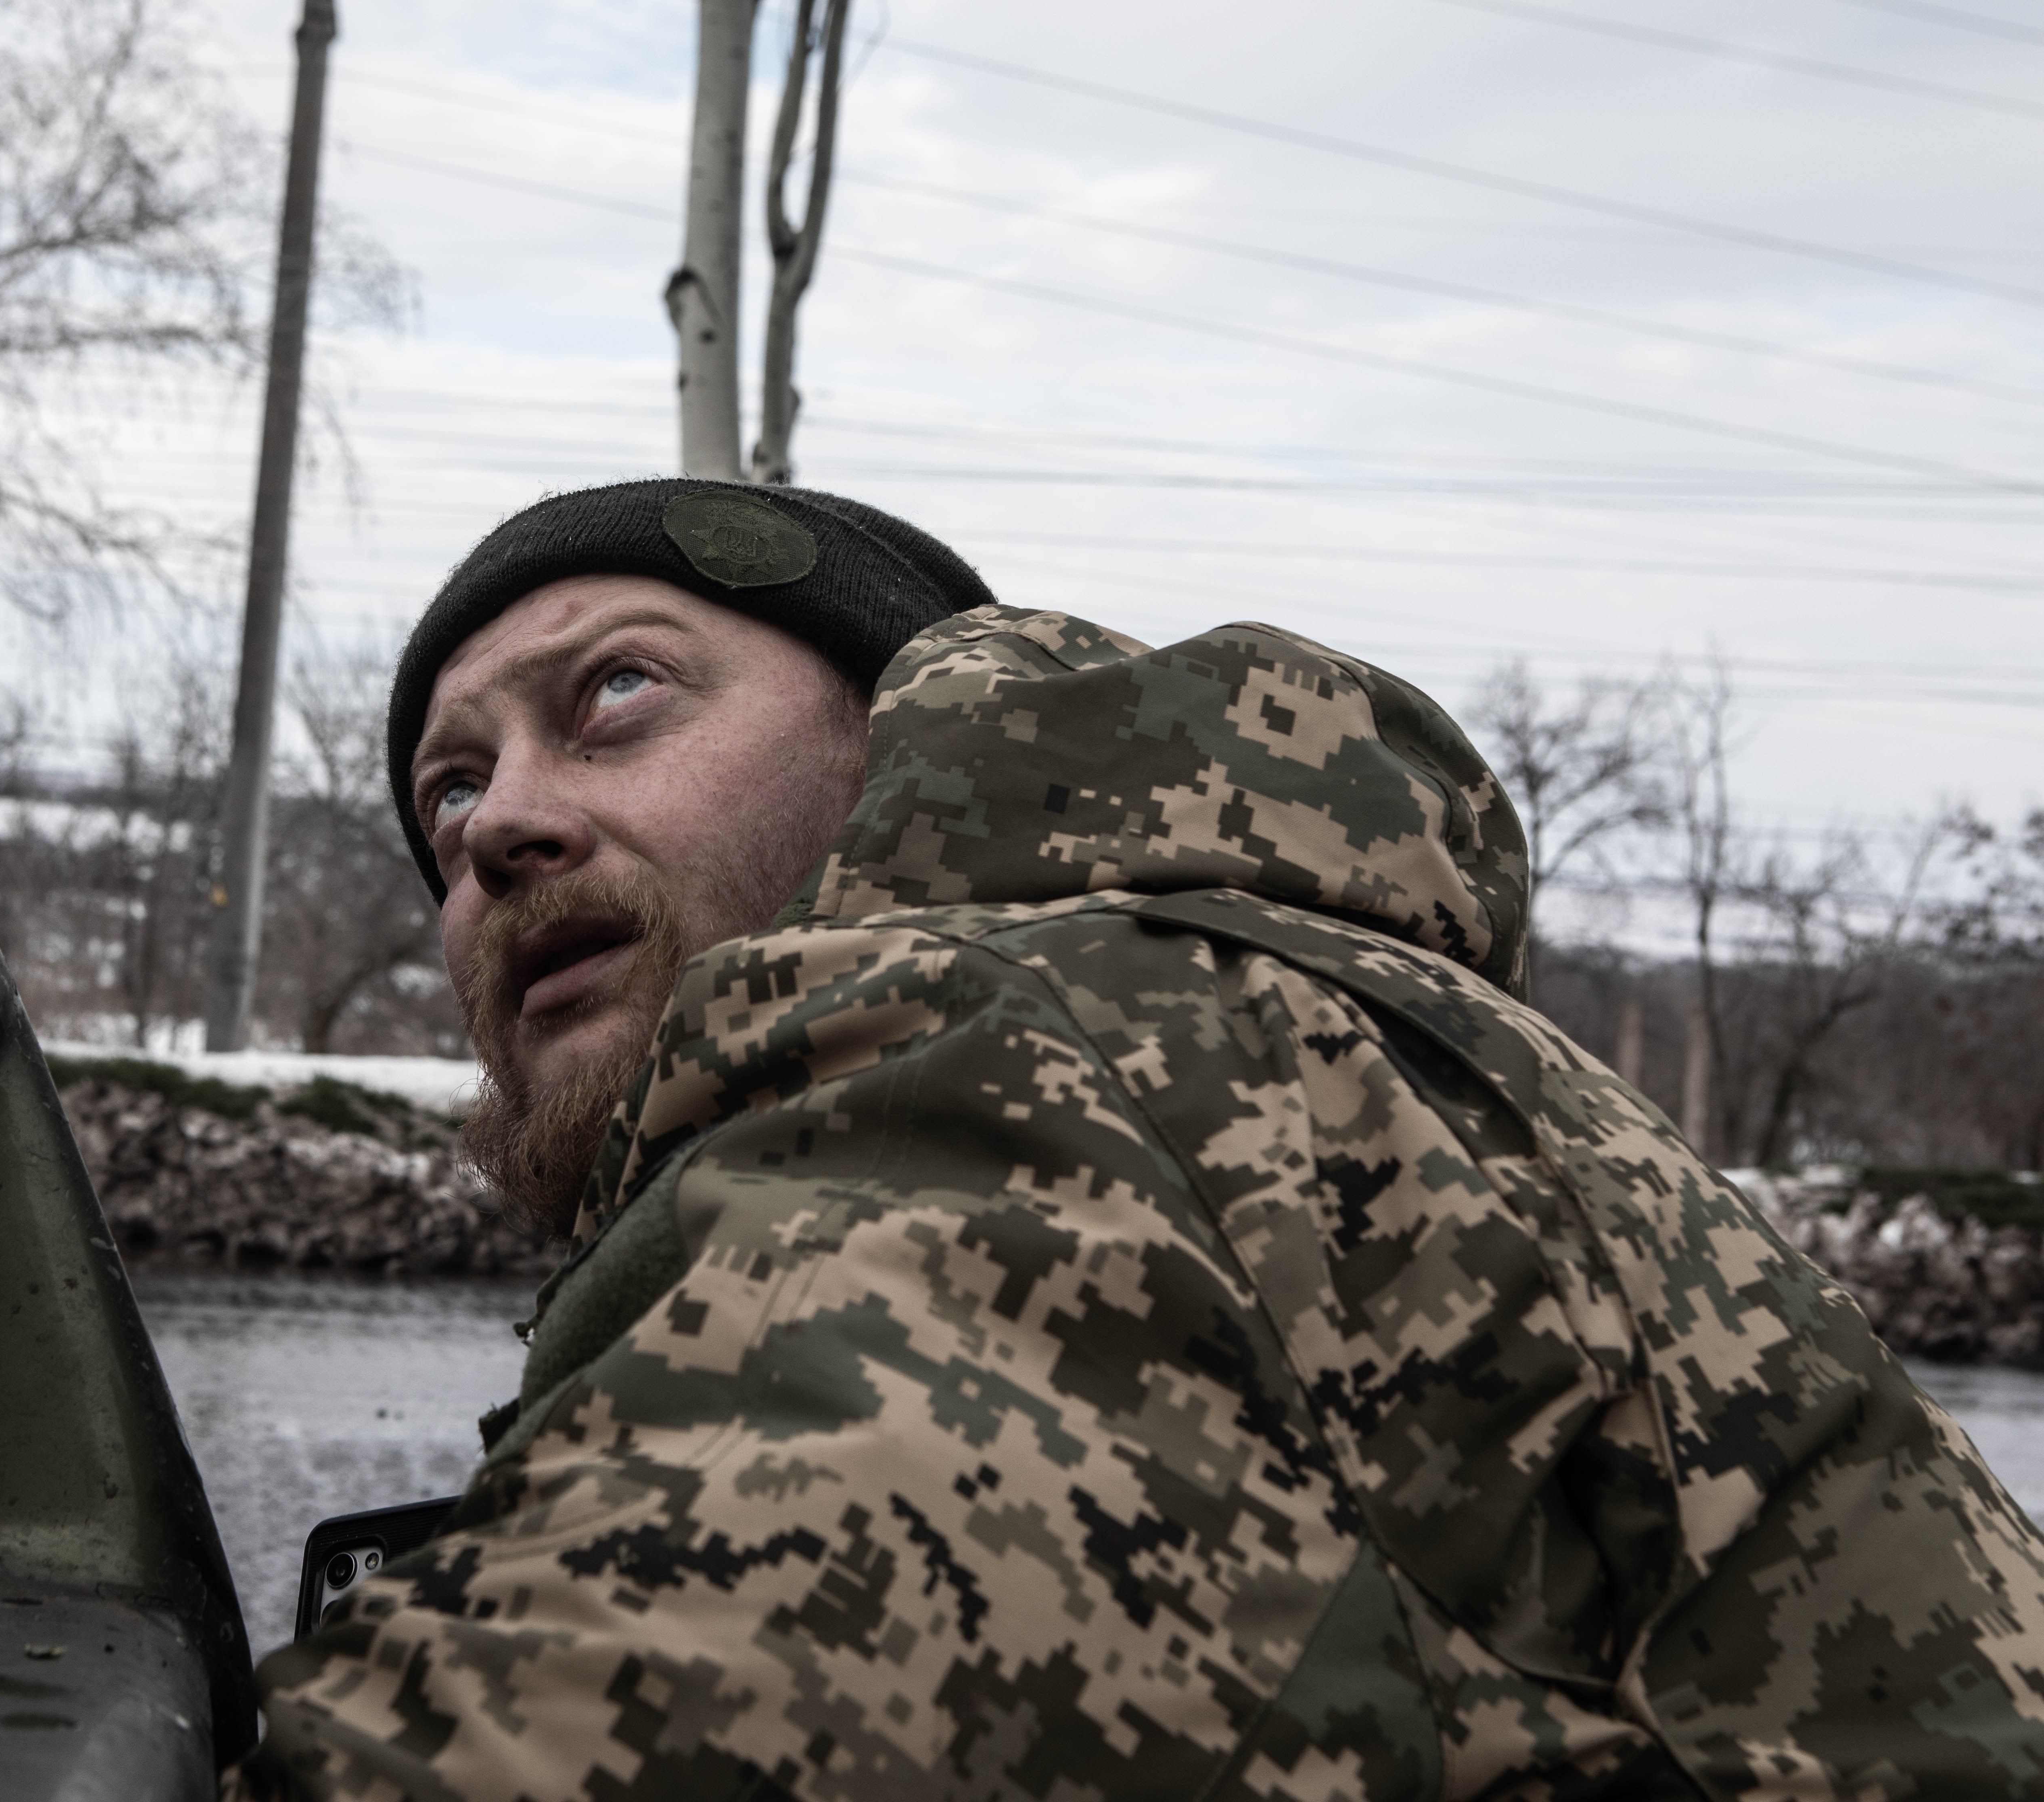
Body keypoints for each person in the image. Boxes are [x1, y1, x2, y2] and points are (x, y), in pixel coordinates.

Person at [244, 479, 2044, 1800]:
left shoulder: (1044, 1030)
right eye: (450, 788)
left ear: (900, 740)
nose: (500, 832)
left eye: (615, 695)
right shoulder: (1246, 1014)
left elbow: (663, 1700)